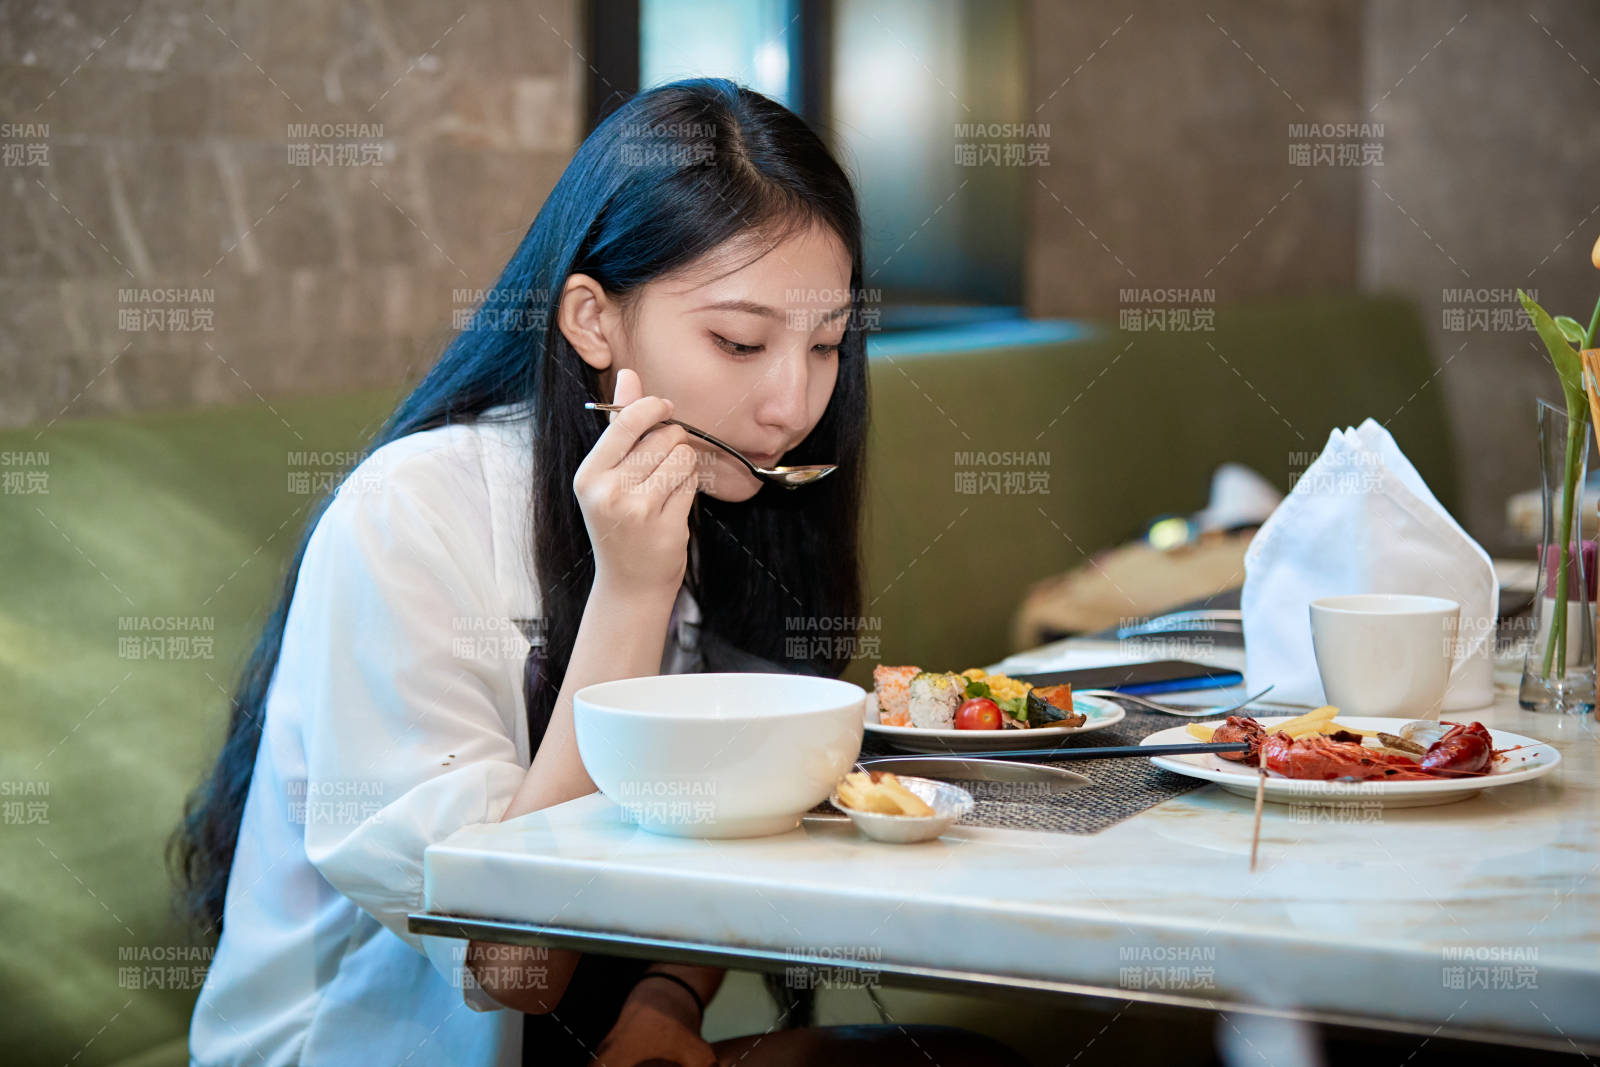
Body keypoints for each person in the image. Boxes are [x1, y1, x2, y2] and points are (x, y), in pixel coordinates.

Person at [172, 77, 1028, 1067]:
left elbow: (736, 815)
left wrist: (668, 995)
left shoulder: (726, 490)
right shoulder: (407, 515)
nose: (791, 401)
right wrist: (631, 591)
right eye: (739, 341)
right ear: (592, 320)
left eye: (828, 343)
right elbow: (513, 962)